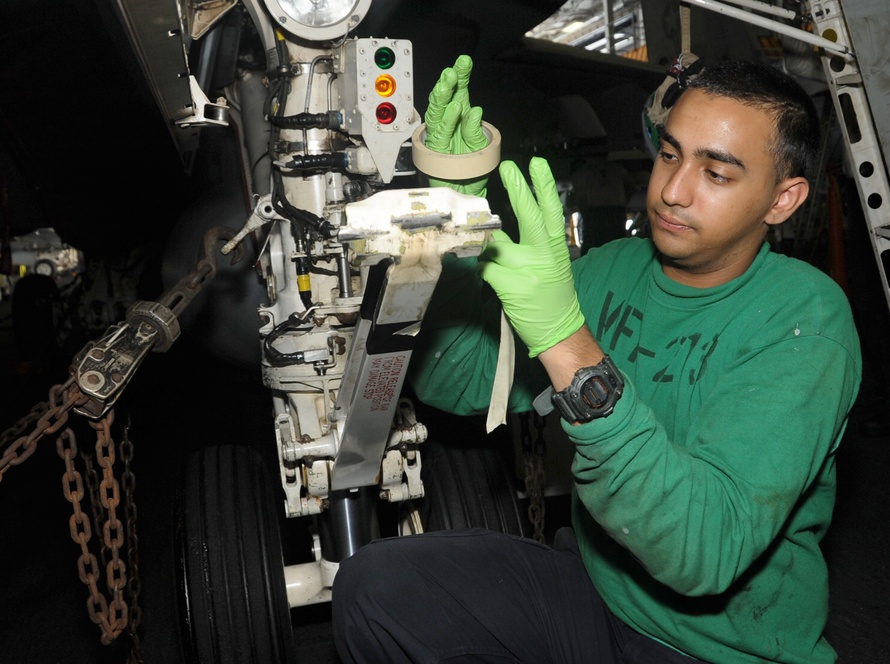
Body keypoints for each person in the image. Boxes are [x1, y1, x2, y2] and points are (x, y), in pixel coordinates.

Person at [331, 58, 862, 663]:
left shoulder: (804, 320)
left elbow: (702, 552)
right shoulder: (614, 268)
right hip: (597, 593)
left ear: (783, 199)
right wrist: (453, 225)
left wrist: (565, 340)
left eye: (715, 173)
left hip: (714, 649)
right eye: (669, 154)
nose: (673, 190)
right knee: (377, 588)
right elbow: (449, 381)